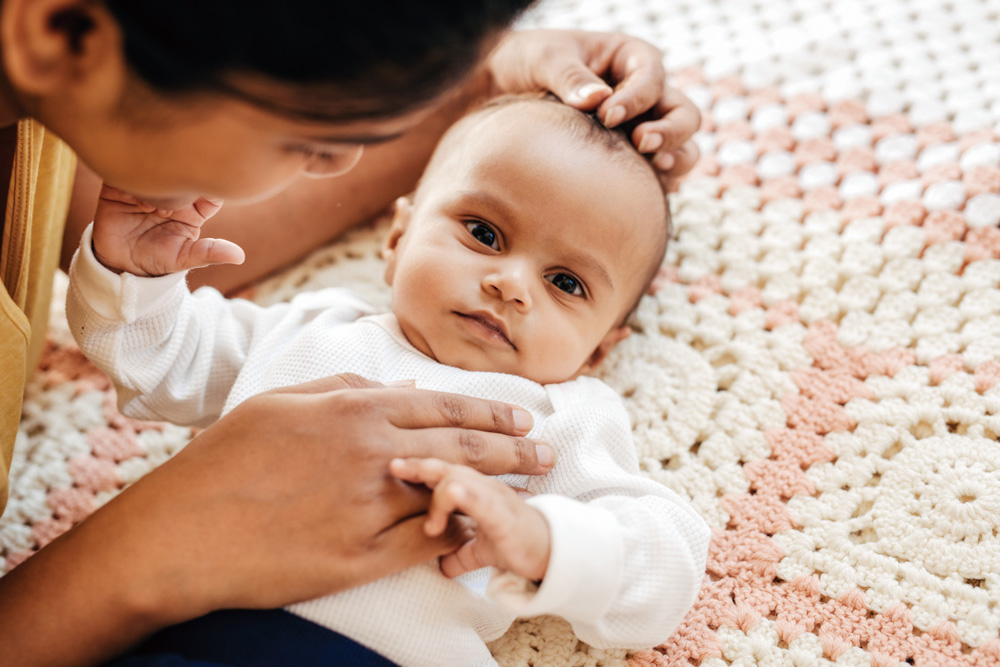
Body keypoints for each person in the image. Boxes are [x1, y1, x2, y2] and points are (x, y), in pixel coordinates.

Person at [0, 0, 701, 664]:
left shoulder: (559, 420)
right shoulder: (312, 327)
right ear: (397, 239)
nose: (511, 283)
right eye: (483, 233)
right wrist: (133, 275)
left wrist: (545, 541)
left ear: (601, 346)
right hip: (180, 634)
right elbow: (156, 361)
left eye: (567, 283)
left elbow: (664, 558)